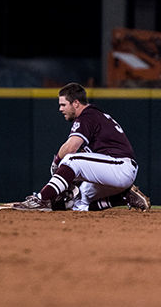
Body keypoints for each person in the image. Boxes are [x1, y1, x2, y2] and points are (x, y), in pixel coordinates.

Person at [11, 82, 151, 212]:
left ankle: (41, 199)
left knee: (71, 160)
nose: (60, 109)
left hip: (120, 167)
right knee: (79, 203)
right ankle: (123, 197)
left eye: (63, 104)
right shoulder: (94, 116)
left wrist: (57, 162)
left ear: (76, 103)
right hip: (114, 168)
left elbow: (71, 147)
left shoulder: (87, 116)